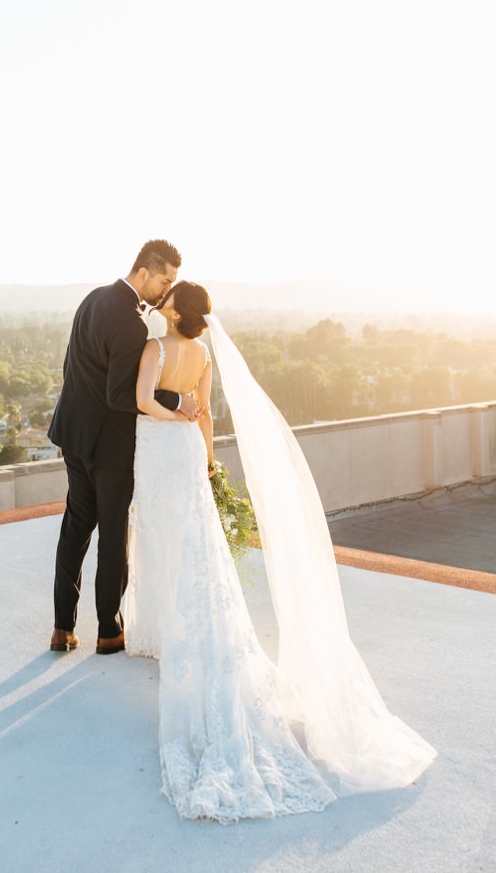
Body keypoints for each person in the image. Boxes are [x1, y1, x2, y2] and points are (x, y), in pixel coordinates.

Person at [124, 281, 435, 821]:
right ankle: (167, 629)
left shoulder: (156, 348)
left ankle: (156, 631)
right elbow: (205, 417)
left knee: (159, 536)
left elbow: (142, 402)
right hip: (186, 455)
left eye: (168, 297)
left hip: (155, 447)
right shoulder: (200, 353)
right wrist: (205, 459)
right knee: (194, 545)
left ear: (176, 309)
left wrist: (175, 419)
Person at [46, 240, 198, 654]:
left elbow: (72, 366)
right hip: (109, 446)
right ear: (145, 271)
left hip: (71, 434)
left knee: (76, 528)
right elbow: (120, 395)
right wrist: (176, 400)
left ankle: (62, 628)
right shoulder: (131, 323)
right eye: (165, 279)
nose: (166, 289)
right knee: (113, 536)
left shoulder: (92, 298)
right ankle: (109, 633)